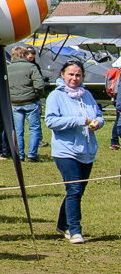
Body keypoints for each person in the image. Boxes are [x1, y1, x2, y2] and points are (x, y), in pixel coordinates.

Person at [44, 60, 101, 244]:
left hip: (87, 150)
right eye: (71, 74)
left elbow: (99, 115)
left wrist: (98, 123)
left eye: (78, 75)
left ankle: (62, 224)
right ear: (62, 75)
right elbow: (51, 121)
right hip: (66, 151)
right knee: (74, 189)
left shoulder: (87, 95)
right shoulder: (56, 96)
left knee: (76, 192)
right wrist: (78, 121)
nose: (74, 78)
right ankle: (75, 230)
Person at [7, 44, 49, 163]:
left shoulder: (8, 68)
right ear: (23, 55)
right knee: (34, 128)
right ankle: (32, 154)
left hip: (15, 103)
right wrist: (37, 96)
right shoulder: (31, 67)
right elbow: (39, 85)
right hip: (30, 101)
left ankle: (20, 154)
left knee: (18, 130)